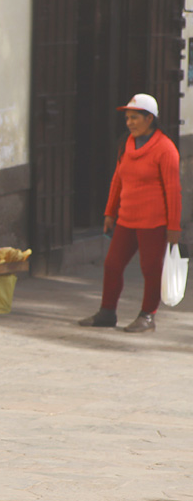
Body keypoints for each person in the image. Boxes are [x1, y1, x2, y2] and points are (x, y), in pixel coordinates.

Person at [79, 93, 182, 333]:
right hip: (127, 219)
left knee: (151, 269)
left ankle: (148, 316)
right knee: (112, 265)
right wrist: (109, 213)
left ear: (150, 119)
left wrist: (174, 227)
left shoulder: (166, 149)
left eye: (135, 118)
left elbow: (173, 190)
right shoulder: (126, 144)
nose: (130, 123)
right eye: (127, 118)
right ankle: (107, 313)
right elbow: (118, 179)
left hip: (154, 222)